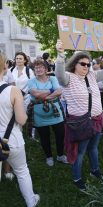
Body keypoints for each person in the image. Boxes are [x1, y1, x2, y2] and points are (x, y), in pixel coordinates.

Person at [55, 40, 103, 190]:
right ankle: (77, 178)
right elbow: (59, 74)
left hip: (97, 119)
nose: (86, 67)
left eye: (88, 64)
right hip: (81, 122)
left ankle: (94, 170)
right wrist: (60, 55)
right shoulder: (67, 78)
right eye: (82, 64)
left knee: (94, 148)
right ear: (74, 64)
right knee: (80, 152)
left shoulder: (91, 76)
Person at [0, 52, 40, 207]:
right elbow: (22, 120)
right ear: (5, 65)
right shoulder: (13, 90)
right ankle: (31, 201)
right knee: (22, 171)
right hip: (11, 140)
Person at [27, 59, 68, 166]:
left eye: (41, 67)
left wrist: (44, 98)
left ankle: (60, 155)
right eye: (36, 68)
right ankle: (49, 156)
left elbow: (59, 91)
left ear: (46, 69)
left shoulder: (53, 78)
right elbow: (35, 94)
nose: (38, 69)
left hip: (56, 113)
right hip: (39, 115)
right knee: (44, 137)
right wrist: (51, 91)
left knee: (60, 135)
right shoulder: (31, 81)